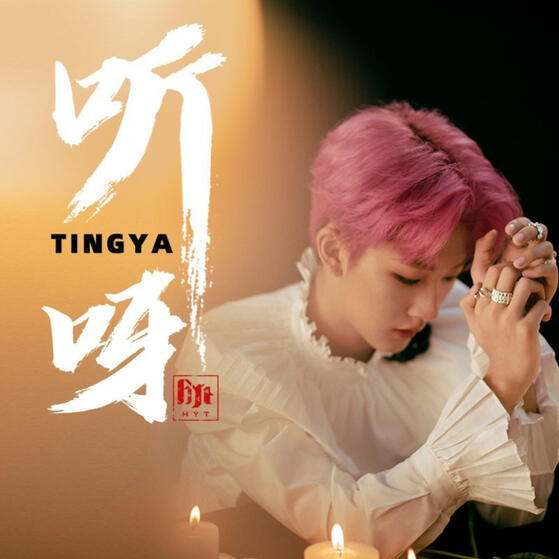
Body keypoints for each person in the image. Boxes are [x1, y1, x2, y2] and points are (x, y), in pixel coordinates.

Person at [175, 102, 559, 559]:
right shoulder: (222, 354)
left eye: (449, 275)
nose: (431, 308)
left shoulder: (467, 316)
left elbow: (517, 514)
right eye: (408, 278)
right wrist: (497, 388)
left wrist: (519, 360)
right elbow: (348, 534)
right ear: (333, 250)